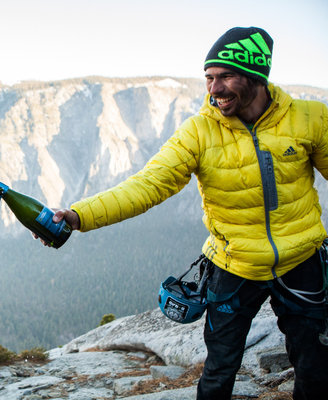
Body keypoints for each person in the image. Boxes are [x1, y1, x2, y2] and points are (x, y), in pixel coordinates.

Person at [47, 27, 328, 400]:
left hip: (301, 261)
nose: (214, 89)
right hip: (234, 265)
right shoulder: (199, 132)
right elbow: (148, 184)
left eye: (225, 76)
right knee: (219, 367)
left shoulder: (309, 118)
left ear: (257, 76)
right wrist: (78, 215)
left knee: (314, 363)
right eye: (209, 78)